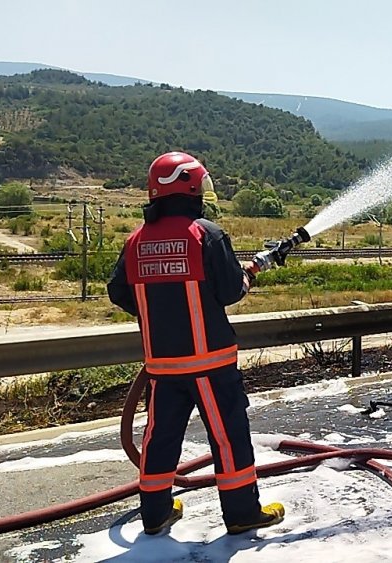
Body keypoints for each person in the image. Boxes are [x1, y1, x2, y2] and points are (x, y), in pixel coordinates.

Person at [107, 151, 284, 536]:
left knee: (159, 438)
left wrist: (159, 312)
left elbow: (118, 291)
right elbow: (230, 290)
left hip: (162, 367)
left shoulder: (137, 240)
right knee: (227, 437)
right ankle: (241, 513)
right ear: (189, 185)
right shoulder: (207, 234)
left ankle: (155, 514)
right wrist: (248, 275)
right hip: (210, 363)